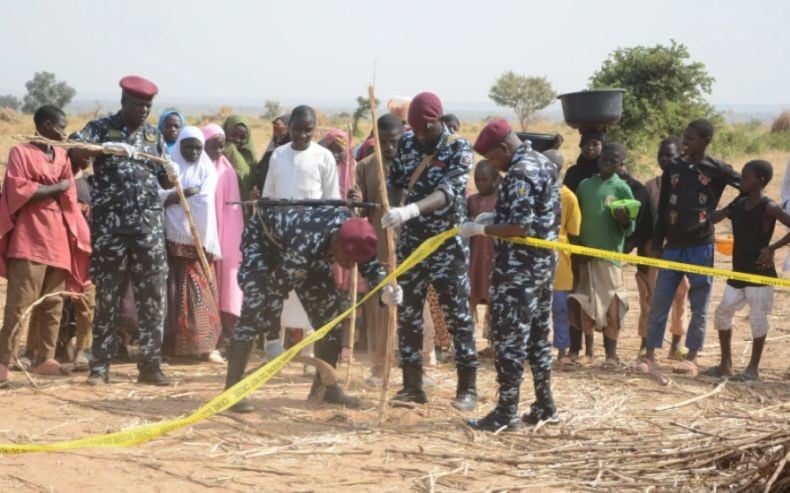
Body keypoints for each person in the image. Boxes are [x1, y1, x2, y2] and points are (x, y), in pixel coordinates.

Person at [223, 210, 401, 411]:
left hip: (311, 247)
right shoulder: (304, 248)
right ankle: (232, 390)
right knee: (255, 306)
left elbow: (370, 264)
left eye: (355, 261)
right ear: (336, 245)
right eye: (348, 259)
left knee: (331, 315)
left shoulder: (355, 235)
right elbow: (275, 289)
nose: (351, 266)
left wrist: (386, 289)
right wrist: (273, 338)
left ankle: (326, 389)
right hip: (264, 241)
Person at [71, 75, 179, 386]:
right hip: (111, 231)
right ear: (124, 103)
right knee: (108, 297)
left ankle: (150, 366)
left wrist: (171, 173)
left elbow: (164, 180)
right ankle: (100, 366)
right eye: (138, 105)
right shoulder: (101, 128)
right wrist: (102, 147)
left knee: (151, 299)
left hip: (148, 230)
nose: (144, 110)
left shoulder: (152, 137)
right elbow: (75, 150)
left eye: (148, 106)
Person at [462, 118, 561, 431]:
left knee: (510, 341)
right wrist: (497, 215)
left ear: (504, 148)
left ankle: (506, 413)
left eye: (493, 158)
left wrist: (482, 228)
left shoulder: (520, 172)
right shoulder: (543, 163)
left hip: (519, 271)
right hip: (543, 268)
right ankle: (545, 405)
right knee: (537, 339)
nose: (495, 165)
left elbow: (519, 227)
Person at [381, 92, 478, 410]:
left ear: (439, 120)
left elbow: (448, 193)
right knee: (407, 316)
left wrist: (410, 211)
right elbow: (395, 179)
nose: (421, 136)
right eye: (417, 130)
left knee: (457, 318)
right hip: (412, 244)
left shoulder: (458, 148)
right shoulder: (408, 144)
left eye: (427, 129)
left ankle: (467, 389)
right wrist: (394, 208)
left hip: (446, 245)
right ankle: (412, 387)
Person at [638, 119, 741, 377]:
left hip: (700, 246)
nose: (686, 142)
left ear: (706, 142)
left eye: (691, 138)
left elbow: (748, 186)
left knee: (698, 303)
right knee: (660, 302)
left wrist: (726, 211)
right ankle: (650, 355)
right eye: (685, 137)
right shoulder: (674, 167)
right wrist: (658, 240)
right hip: (672, 246)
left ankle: (692, 356)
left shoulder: (716, 169)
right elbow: (663, 207)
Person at [0, 105, 91, 385]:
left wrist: (48, 189)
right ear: (45, 125)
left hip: (58, 238)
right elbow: (18, 190)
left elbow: (69, 195)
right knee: (19, 303)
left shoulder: (62, 155)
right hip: (29, 237)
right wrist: (56, 188)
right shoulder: (21, 152)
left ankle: (44, 357)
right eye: (60, 127)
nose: (64, 133)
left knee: (53, 303)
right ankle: (5, 359)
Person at [262, 105, 340, 374]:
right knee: (278, 296)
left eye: (308, 131)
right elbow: (268, 197)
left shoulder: (324, 157)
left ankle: (309, 355)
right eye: (298, 130)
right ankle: (274, 351)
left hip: (313, 241)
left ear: (314, 129)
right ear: (290, 128)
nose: (303, 136)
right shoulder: (278, 156)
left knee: (311, 301)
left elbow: (332, 201)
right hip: (281, 240)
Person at [706, 160, 790, 381]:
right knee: (723, 313)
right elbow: (717, 216)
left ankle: (753, 368)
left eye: (745, 177)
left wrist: (772, 248)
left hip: (760, 273)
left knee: (757, 319)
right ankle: (726, 364)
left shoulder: (769, 207)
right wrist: (707, 212)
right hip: (738, 270)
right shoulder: (739, 203)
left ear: (759, 181)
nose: (740, 181)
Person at [348, 114, 404, 385]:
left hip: (409, 247)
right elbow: (361, 210)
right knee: (379, 307)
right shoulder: (366, 166)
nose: (390, 147)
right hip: (379, 249)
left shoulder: (414, 165)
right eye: (383, 142)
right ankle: (378, 367)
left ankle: (421, 367)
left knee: (414, 308)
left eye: (394, 141)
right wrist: (355, 202)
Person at [569, 143, 634, 369]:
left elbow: (630, 226)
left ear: (620, 165)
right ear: (599, 159)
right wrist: (577, 250)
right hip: (585, 256)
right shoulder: (585, 186)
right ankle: (588, 352)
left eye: (614, 162)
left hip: (610, 257)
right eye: (605, 159)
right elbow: (576, 220)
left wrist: (625, 221)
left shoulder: (622, 188)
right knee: (586, 302)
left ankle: (611, 355)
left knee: (612, 304)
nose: (608, 164)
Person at [161, 126, 223, 363]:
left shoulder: (208, 170)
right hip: (173, 240)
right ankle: (173, 347)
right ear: (180, 147)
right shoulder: (171, 167)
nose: (194, 152)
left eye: (198, 147)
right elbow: (161, 194)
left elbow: (203, 201)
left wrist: (178, 197)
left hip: (198, 243)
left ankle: (204, 345)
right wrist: (181, 194)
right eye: (189, 147)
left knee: (200, 292)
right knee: (175, 293)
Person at [641, 137, 688, 358]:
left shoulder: (690, 185)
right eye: (661, 155)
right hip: (654, 250)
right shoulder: (651, 186)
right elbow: (643, 220)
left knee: (680, 296)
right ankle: (646, 344)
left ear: (682, 157)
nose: (665, 159)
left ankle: (676, 344)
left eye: (670, 155)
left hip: (680, 249)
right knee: (650, 298)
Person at [203, 124, 244, 345]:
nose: (216, 153)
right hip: (200, 234)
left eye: (220, 148)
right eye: (211, 147)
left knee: (228, 280)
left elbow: (233, 213)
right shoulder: (196, 167)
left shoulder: (228, 172)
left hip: (225, 235)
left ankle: (227, 334)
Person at [543, 149, 582, 370]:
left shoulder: (568, 197)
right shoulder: (535, 191)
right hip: (536, 259)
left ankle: (562, 351)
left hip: (560, 261)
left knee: (559, 308)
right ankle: (538, 349)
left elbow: (573, 230)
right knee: (538, 308)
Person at [466, 160, 499, 355]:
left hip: (494, 257)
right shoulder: (472, 201)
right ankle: (467, 340)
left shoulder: (502, 199)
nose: (480, 183)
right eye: (477, 179)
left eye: (485, 179)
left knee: (495, 300)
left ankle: (493, 343)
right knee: (471, 296)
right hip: (476, 256)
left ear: (495, 180)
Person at [222, 114, 257, 201]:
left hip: (244, 208)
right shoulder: (217, 153)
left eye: (242, 137)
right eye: (233, 135)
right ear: (225, 132)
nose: (237, 140)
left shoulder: (250, 158)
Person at [563, 129, 605, 193]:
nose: (590, 147)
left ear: (603, 146)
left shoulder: (606, 172)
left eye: (595, 144)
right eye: (586, 144)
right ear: (581, 147)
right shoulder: (573, 172)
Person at [257, 114, 291, 192]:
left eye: (281, 131)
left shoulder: (295, 157)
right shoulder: (270, 154)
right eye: (275, 129)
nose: (276, 134)